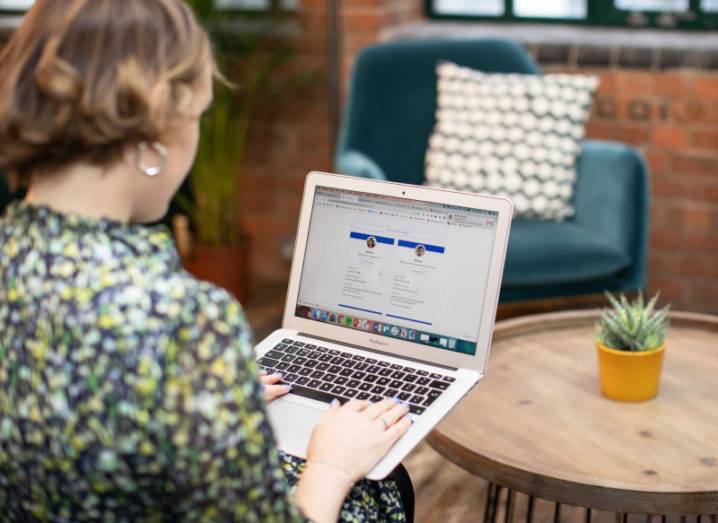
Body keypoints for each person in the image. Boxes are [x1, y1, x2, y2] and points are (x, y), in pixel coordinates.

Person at [0, 1, 412, 521]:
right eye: (196, 116)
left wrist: (205, 404)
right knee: (381, 485)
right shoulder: (181, 320)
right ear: (155, 130)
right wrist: (330, 464)